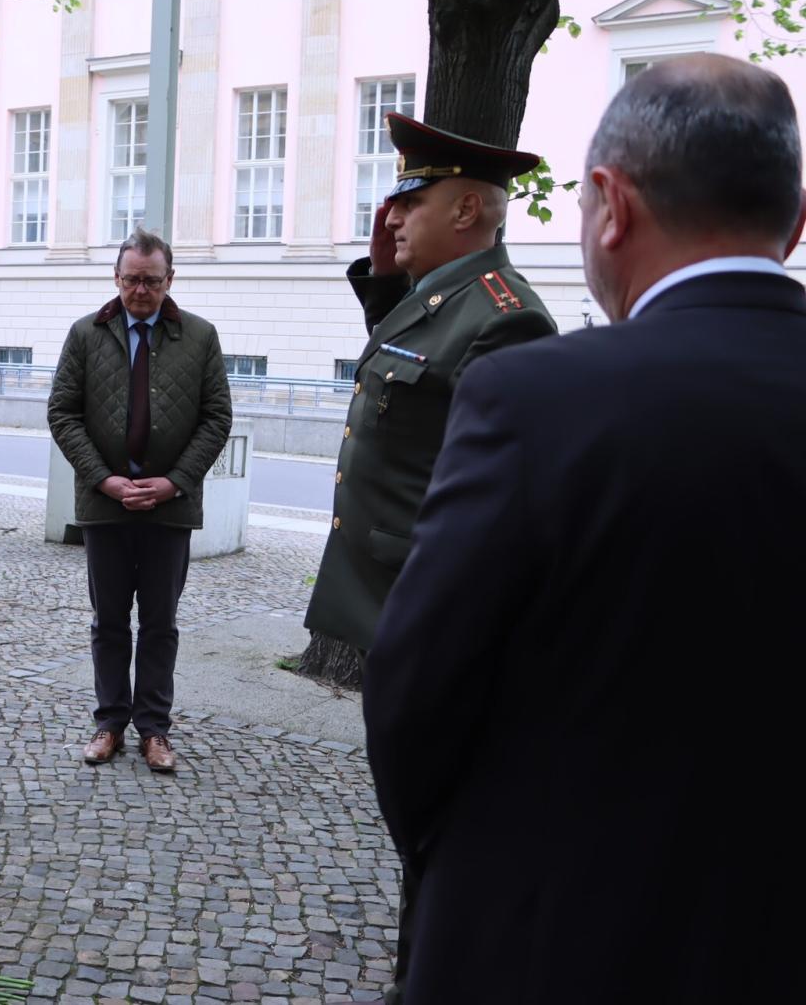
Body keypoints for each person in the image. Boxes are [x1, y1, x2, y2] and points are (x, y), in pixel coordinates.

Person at [363, 54, 806, 1003]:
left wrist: (468, 857)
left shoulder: (539, 394)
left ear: (610, 204)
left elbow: (416, 690)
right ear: (796, 222)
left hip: (557, 934)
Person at [305, 114, 558, 668]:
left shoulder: (505, 319)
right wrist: (382, 275)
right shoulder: (443, 298)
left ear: (466, 210)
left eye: (410, 202)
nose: (391, 217)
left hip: (433, 608)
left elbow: (496, 500)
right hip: (391, 600)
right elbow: (404, 359)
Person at [48, 228, 232, 773]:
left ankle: (154, 729)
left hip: (170, 508)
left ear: (169, 280)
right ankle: (110, 723)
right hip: (105, 506)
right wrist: (103, 478)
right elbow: (62, 412)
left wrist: (174, 481)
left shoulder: (199, 337)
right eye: (131, 280)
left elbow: (217, 417)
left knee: (159, 622)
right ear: (116, 278)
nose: (140, 291)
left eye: (152, 281)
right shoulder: (86, 334)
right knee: (108, 620)